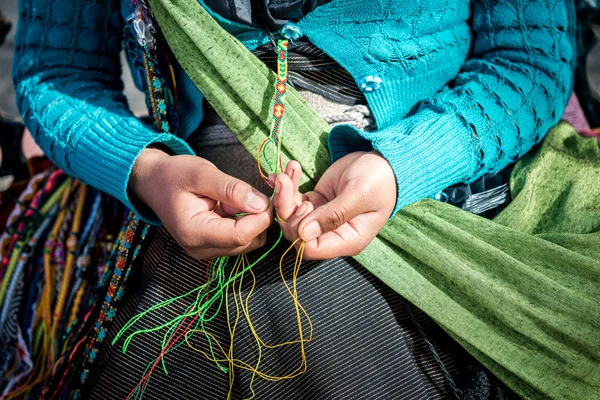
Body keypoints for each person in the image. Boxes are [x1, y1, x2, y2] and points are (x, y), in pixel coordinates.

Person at [11, 0, 576, 398]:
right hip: (183, 208)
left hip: (436, 182)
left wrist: (401, 166)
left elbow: (529, 61)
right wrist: (146, 169)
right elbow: (56, 70)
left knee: (279, 306)